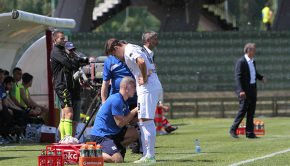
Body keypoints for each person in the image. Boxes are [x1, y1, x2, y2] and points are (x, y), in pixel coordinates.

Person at [105, 34, 162, 163]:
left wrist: (145, 77)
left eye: (114, 55)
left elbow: (141, 61)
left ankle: (150, 156)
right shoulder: (134, 47)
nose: (117, 58)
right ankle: (147, 154)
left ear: (116, 47)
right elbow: (150, 65)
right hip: (148, 87)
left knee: (146, 121)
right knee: (142, 121)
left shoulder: (129, 49)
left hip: (148, 87)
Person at [101, 40, 140, 153]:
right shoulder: (109, 61)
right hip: (118, 99)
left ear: (116, 48)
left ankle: (138, 146)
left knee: (135, 122)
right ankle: (114, 147)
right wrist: (104, 102)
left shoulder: (130, 56)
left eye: (114, 53)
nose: (114, 56)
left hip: (134, 97)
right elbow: (105, 83)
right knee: (118, 124)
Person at [90, 77, 139, 163]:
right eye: (134, 86)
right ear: (126, 87)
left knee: (135, 133)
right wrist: (135, 110)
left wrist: (145, 116)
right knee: (118, 159)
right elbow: (120, 123)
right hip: (101, 135)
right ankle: (91, 153)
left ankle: (114, 148)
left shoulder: (124, 101)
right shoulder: (116, 100)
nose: (136, 89)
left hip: (112, 133)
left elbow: (131, 122)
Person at [140, 31, 178, 135]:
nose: (157, 41)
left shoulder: (151, 54)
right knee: (145, 119)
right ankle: (143, 146)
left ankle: (145, 147)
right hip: (144, 89)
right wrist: (143, 78)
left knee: (149, 119)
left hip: (151, 88)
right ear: (148, 40)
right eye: (155, 39)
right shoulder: (142, 53)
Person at [229, 43, 267, 139]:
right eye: (254, 50)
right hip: (244, 91)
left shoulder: (252, 61)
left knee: (251, 111)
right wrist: (241, 91)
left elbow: (254, 73)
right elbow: (238, 77)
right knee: (243, 110)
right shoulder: (241, 62)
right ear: (249, 50)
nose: (255, 51)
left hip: (253, 89)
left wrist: (261, 77)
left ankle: (250, 133)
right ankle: (233, 130)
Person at [50, 31, 81, 139]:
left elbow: (70, 64)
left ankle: (63, 140)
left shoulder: (61, 51)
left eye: (64, 39)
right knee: (69, 114)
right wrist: (71, 64)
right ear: (55, 40)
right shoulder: (56, 51)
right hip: (62, 86)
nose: (64, 41)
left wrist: (71, 64)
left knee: (64, 115)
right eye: (61, 39)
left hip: (65, 85)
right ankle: (68, 139)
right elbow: (68, 64)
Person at [64, 41, 81, 137]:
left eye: (73, 49)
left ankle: (73, 140)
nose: (72, 52)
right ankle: (64, 139)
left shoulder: (76, 61)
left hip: (77, 93)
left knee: (74, 121)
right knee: (66, 117)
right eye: (70, 50)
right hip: (67, 93)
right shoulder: (63, 62)